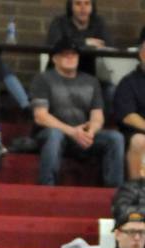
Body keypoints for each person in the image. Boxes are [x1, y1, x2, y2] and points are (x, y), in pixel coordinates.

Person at [30, 36, 124, 188]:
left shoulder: (91, 81)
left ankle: (113, 192)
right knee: (55, 134)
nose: (70, 57)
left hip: (82, 135)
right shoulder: (43, 79)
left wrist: (91, 132)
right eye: (65, 54)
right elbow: (40, 116)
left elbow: (97, 116)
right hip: (52, 134)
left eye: (74, 54)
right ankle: (46, 187)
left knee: (115, 138)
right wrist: (72, 132)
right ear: (54, 58)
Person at [46, 0, 115, 107]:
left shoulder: (98, 23)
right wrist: (85, 42)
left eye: (87, 3)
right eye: (78, 3)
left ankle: (99, 122)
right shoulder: (59, 22)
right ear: (71, 7)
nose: (83, 7)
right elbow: (54, 43)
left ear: (92, 7)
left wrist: (79, 44)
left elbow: (108, 45)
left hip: (89, 75)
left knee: (110, 90)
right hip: (61, 74)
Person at [113, 28, 145, 182]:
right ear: (141, 54)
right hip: (139, 135)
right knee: (139, 140)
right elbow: (128, 116)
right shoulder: (128, 83)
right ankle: (137, 192)